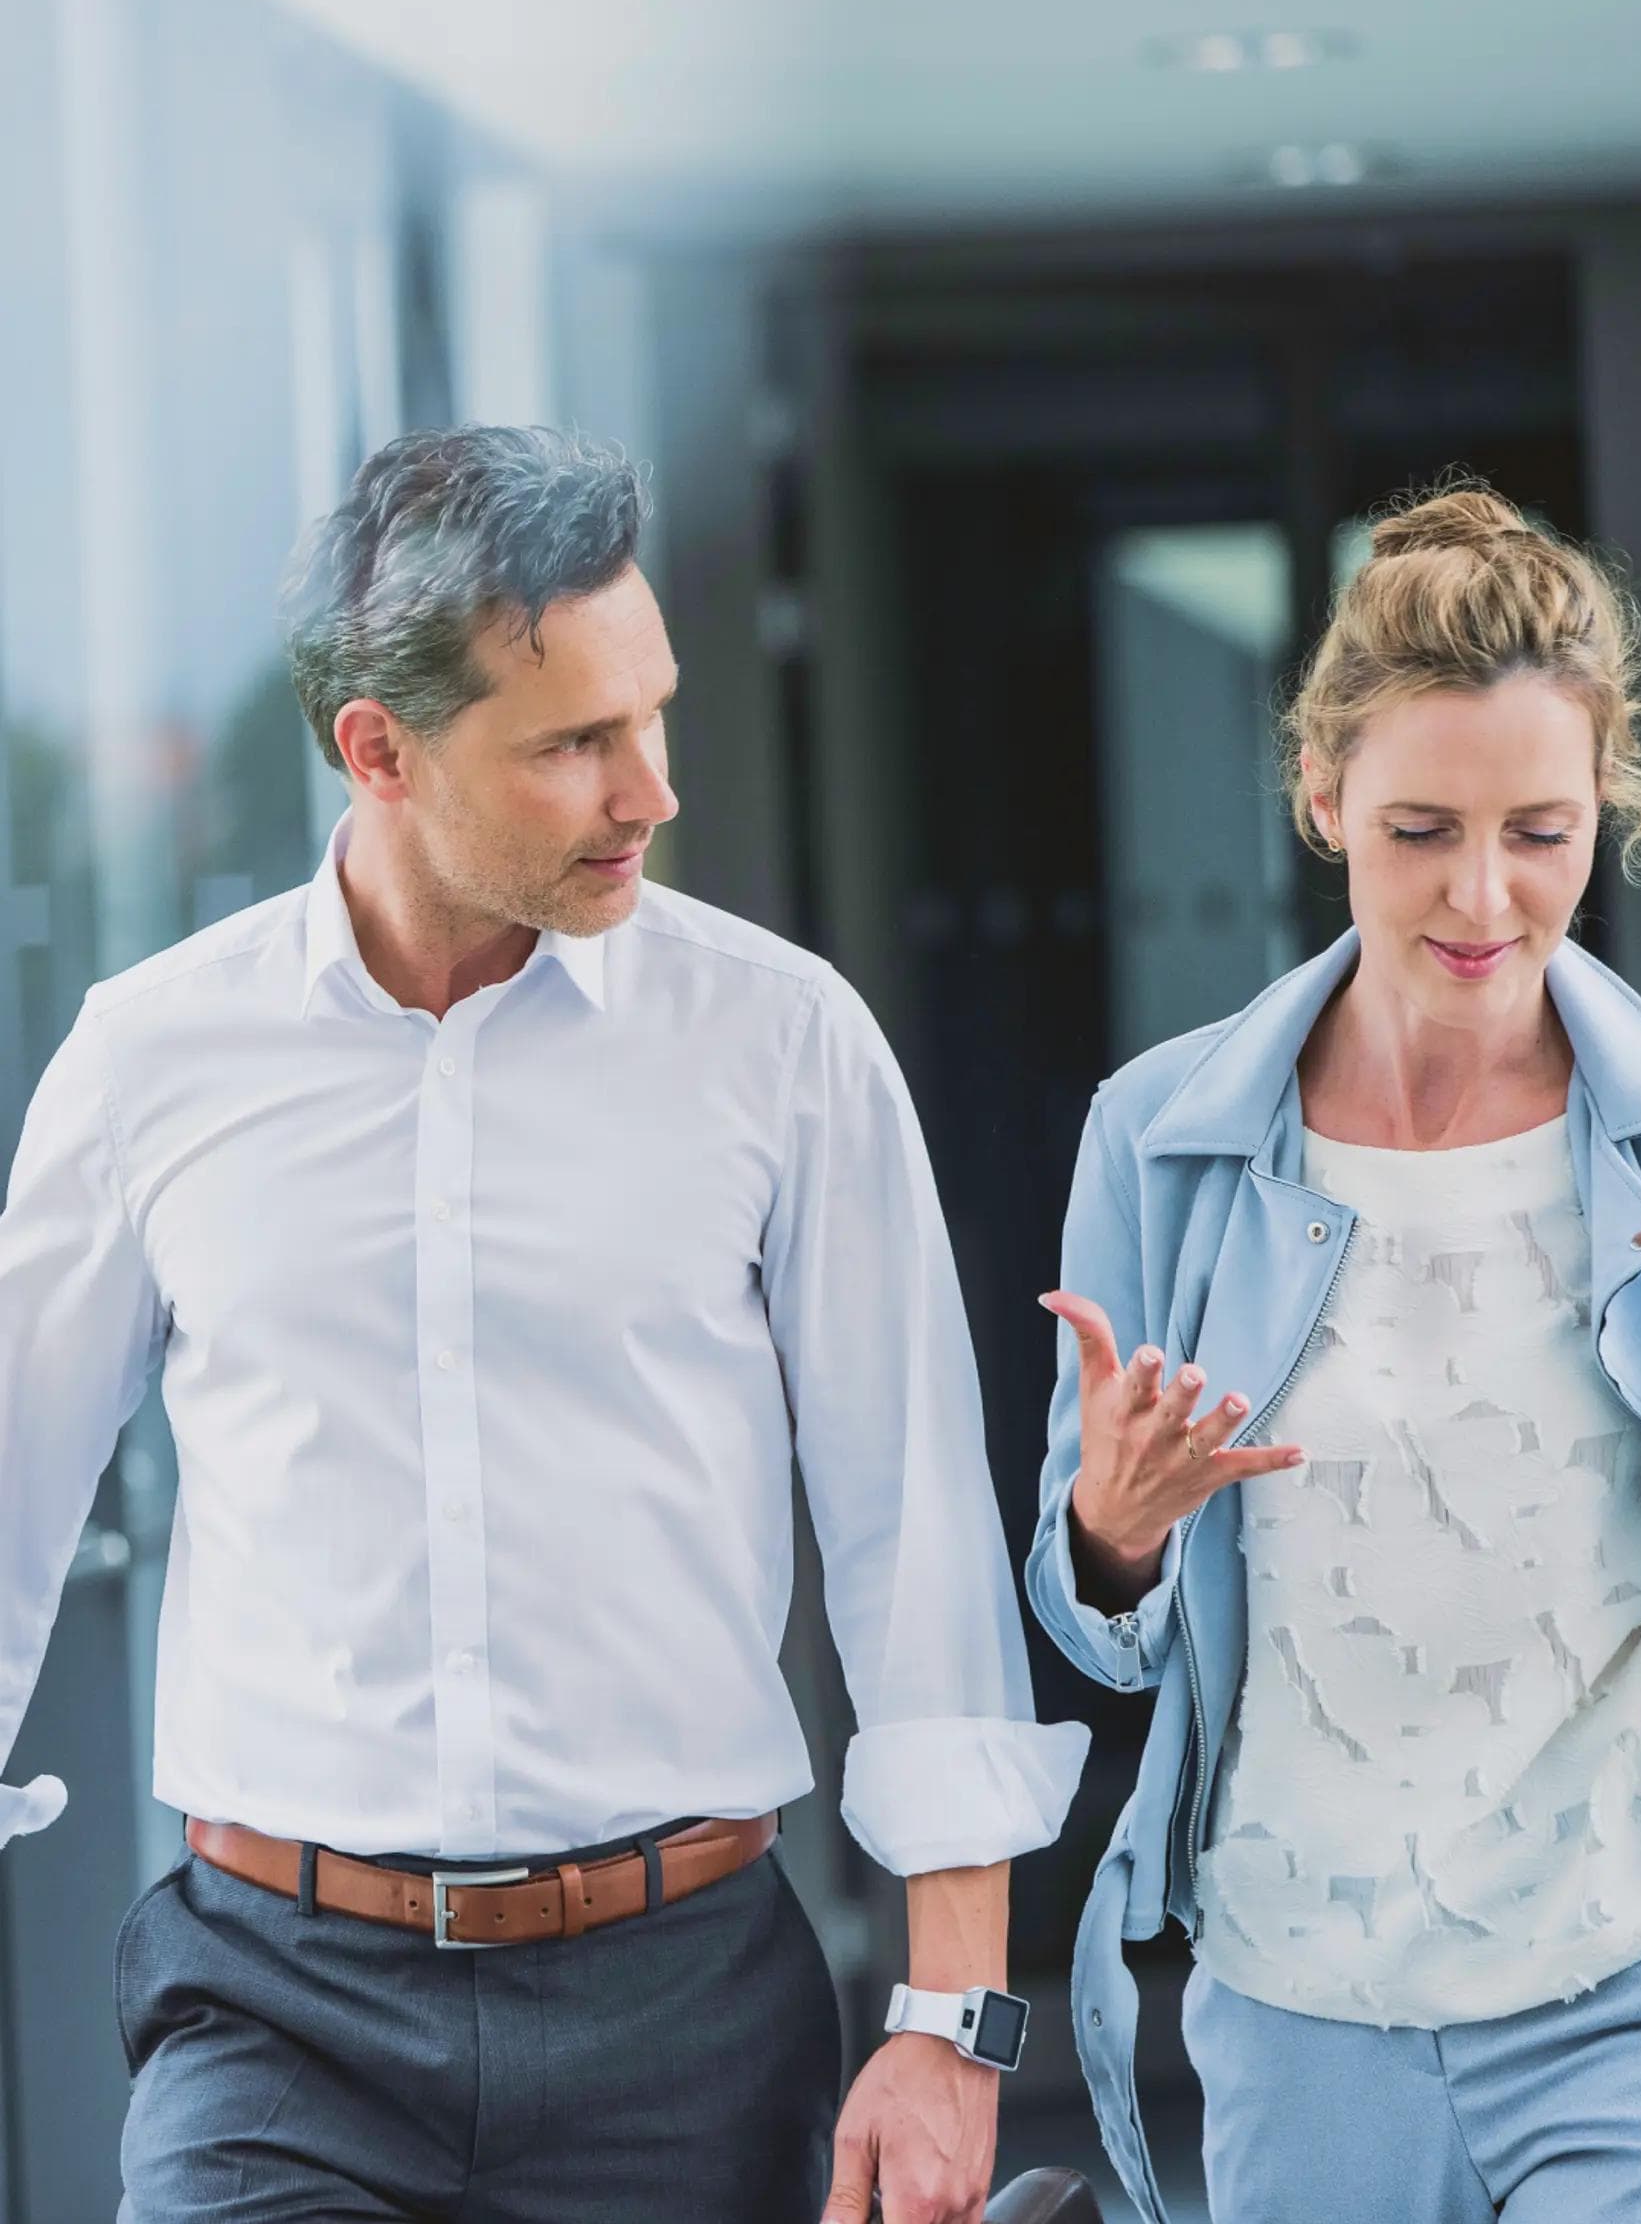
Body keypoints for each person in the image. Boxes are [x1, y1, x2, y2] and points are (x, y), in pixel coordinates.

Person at [0, 426, 1087, 2224]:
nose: (650, 790)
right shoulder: (149, 1059)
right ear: (379, 751)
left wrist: (950, 2020)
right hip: (277, 2014)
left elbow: (914, 1543)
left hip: (682, 2020)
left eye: (650, 715)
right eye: (577, 744)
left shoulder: (782, 1044)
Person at [1027, 484, 1641, 2223]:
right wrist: (1116, 1528)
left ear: (1604, 809)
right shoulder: (1159, 1138)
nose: (1485, 896)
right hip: (1305, 2015)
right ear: (1323, 802)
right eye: (1419, 831)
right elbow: (1091, 1611)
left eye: (1542, 832)